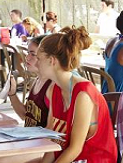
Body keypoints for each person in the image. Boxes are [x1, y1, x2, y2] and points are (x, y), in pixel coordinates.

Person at [35, 27, 117, 163]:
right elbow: (54, 142)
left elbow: (75, 148)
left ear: (52, 61)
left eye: (39, 58)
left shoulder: (83, 94)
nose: (36, 63)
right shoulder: (54, 90)